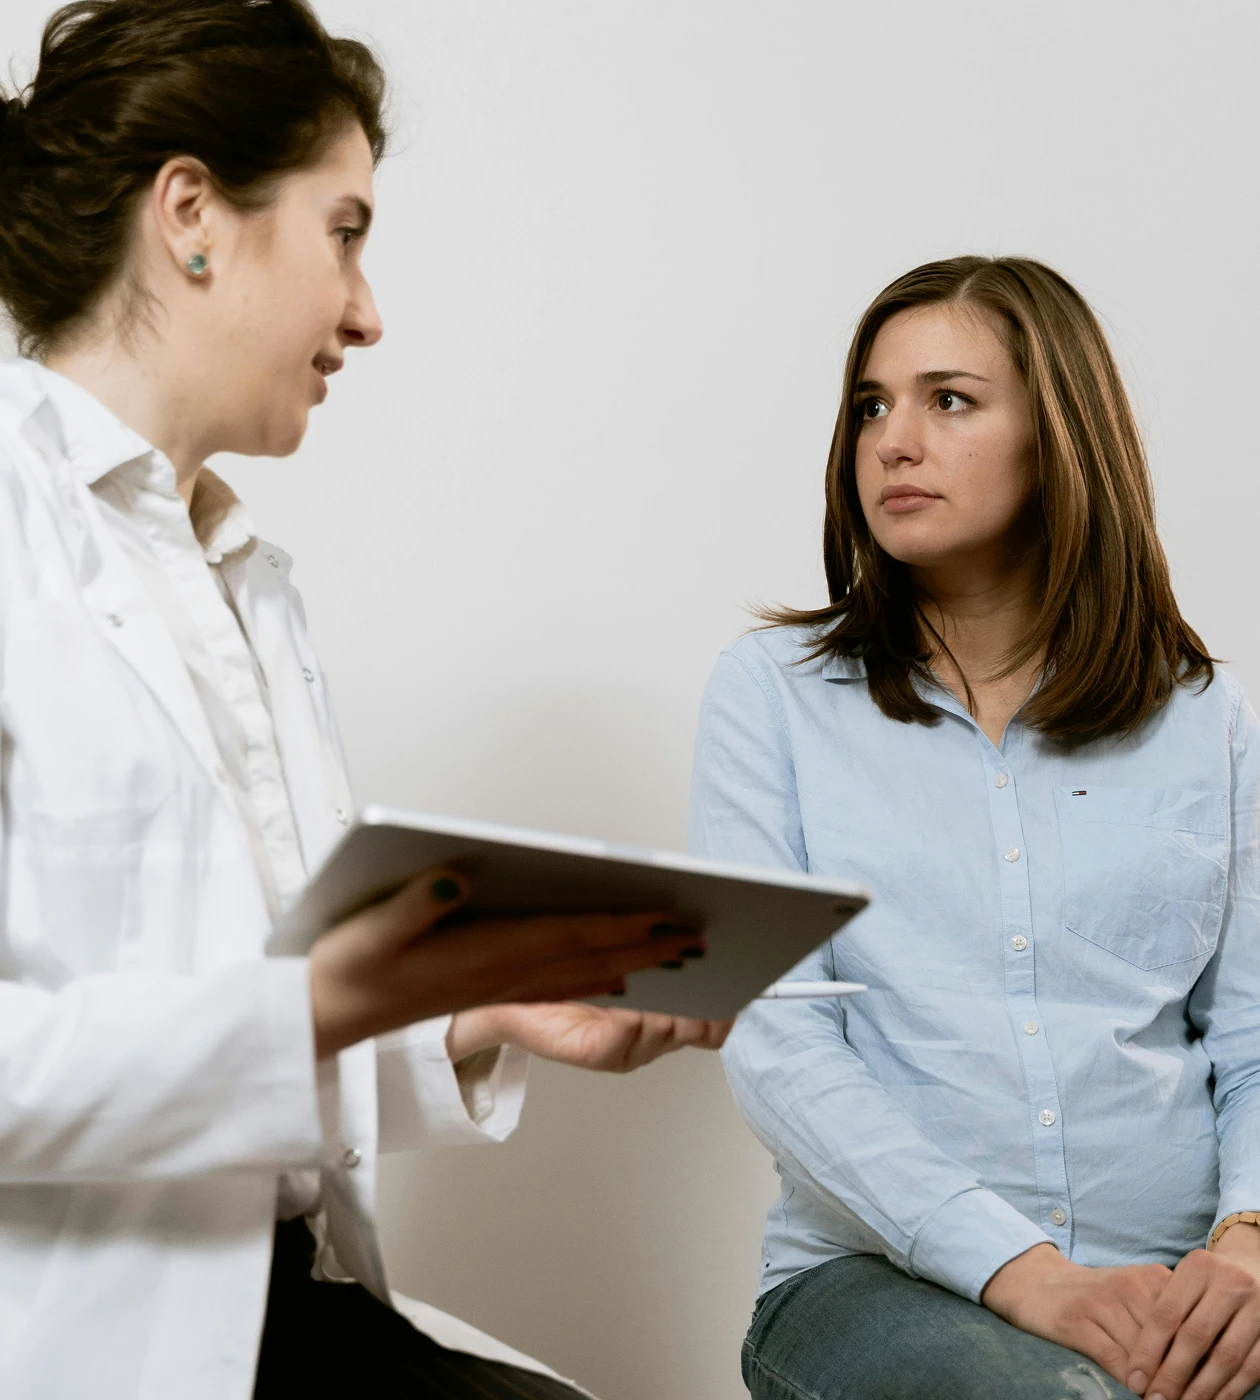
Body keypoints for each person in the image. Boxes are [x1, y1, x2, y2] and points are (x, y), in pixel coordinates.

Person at [0, 3, 728, 1397]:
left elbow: (267, 1066)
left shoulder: (246, 583)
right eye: (346, 231)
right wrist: (321, 1001)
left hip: (287, 1311)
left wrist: (479, 1010)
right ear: (193, 214)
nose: (369, 313)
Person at [690, 255, 1260, 1400]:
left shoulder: (1202, 718)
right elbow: (776, 1040)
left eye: (948, 399)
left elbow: (1251, 1033)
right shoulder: (772, 695)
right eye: (871, 405)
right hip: (880, 1282)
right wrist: (1027, 1272)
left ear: (1060, 433)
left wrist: (1245, 1248)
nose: (893, 440)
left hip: (1186, 1271)